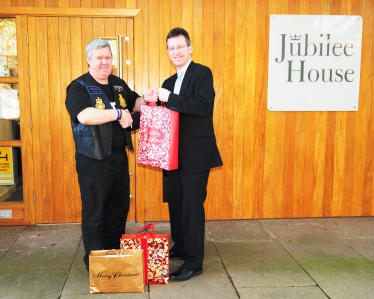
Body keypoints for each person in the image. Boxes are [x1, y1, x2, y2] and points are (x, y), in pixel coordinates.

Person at [65, 39, 156, 271]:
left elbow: (134, 103)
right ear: (89, 60)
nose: (104, 62)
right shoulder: (78, 87)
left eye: (108, 58)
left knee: (118, 209)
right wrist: (117, 113)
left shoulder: (117, 83)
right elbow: (84, 116)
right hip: (93, 160)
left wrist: (145, 98)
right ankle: (96, 264)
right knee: (95, 212)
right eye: (99, 58)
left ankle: (114, 254)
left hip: (118, 157)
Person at [156, 27, 223, 281]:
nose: (176, 52)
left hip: (195, 153)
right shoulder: (168, 83)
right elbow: (163, 116)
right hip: (171, 154)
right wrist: (151, 101)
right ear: (167, 52)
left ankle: (194, 262)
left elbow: (202, 106)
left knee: (192, 207)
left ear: (190, 48)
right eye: (171, 48)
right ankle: (182, 246)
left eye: (180, 47)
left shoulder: (202, 73)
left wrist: (169, 98)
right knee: (176, 203)